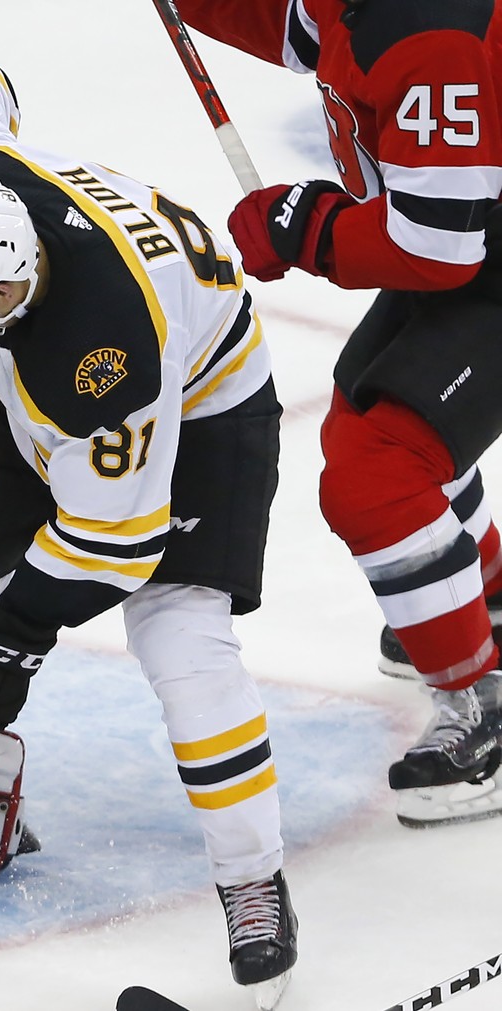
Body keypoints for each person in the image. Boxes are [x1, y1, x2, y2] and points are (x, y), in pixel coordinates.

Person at [0, 55, 296, 1005]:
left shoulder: (104, 354)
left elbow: (119, 538)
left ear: (23, 264)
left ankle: (252, 882)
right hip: (38, 390)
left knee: (180, 641)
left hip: (203, 398)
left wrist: (12, 638)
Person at [175, 0, 502, 828]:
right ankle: (487, 609)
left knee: (379, 467)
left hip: (472, 249)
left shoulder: (434, 34)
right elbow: (294, 25)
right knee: (376, 413)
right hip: (479, 246)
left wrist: (308, 229)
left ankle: (482, 706)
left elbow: (437, 243)